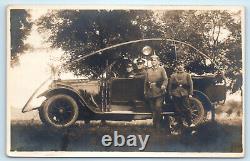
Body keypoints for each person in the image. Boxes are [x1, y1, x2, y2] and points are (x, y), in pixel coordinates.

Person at [145, 55, 168, 130]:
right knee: (153, 109)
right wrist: (145, 91)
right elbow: (145, 82)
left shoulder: (162, 69)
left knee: (158, 107)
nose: (153, 62)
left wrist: (164, 85)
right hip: (150, 92)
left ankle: (158, 124)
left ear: (158, 61)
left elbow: (165, 79)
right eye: (152, 60)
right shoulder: (148, 70)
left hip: (159, 91)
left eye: (154, 60)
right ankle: (155, 125)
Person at [168, 64, 194, 132]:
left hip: (184, 93)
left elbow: (191, 85)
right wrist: (170, 94)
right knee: (177, 109)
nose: (180, 67)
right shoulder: (173, 75)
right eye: (179, 67)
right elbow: (170, 85)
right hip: (175, 93)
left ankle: (190, 122)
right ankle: (180, 123)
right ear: (176, 68)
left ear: (183, 68)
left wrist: (190, 94)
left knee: (186, 108)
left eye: (181, 67)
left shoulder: (187, 75)